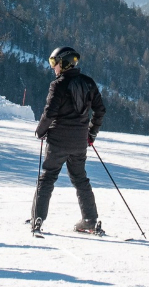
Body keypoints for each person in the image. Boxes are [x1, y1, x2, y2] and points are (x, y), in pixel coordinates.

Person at [31, 45, 106, 235]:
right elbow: (100, 110)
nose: (52, 67)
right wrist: (91, 134)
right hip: (79, 142)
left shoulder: (58, 85)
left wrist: (40, 131)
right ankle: (90, 220)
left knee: (47, 178)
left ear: (64, 63)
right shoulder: (89, 83)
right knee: (80, 179)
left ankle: (37, 218)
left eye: (54, 62)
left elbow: (49, 113)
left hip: (57, 142)